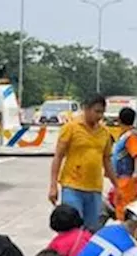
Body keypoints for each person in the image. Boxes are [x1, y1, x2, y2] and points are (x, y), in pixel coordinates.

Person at [49, 94, 117, 231]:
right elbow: (58, 157)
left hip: (94, 189)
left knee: (91, 231)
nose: (100, 116)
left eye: (102, 112)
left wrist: (118, 186)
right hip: (72, 186)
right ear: (86, 109)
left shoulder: (104, 132)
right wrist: (53, 186)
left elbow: (107, 161)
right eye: (97, 111)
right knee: (72, 228)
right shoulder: (71, 128)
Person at [110, 107, 137, 220]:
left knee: (125, 207)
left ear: (119, 119)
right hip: (120, 179)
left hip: (127, 179)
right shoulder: (125, 136)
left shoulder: (132, 137)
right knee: (119, 204)